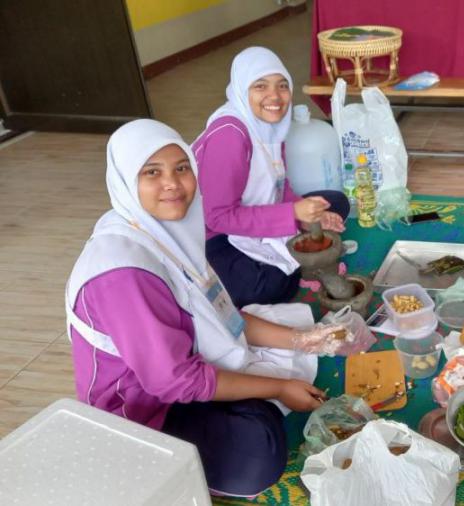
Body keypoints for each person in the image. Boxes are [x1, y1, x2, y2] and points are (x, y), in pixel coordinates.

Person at [66, 119, 341, 497]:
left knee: (276, 380)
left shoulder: (168, 231)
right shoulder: (123, 273)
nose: (172, 184)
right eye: (152, 172)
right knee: (257, 452)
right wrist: (279, 387)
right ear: (126, 180)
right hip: (142, 414)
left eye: (181, 168)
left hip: (181, 377)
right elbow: (174, 382)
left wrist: (303, 339)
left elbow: (222, 314)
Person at [193, 47, 349, 308]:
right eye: (260, 86)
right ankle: (297, 262)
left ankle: (294, 256)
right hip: (216, 235)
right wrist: (293, 214)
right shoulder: (229, 135)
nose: (274, 96)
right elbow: (217, 217)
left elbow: (279, 186)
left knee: (335, 201)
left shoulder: (272, 125)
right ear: (242, 89)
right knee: (263, 288)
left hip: (260, 212)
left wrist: (307, 213)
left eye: (282, 86)